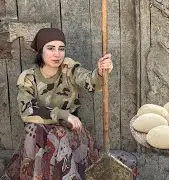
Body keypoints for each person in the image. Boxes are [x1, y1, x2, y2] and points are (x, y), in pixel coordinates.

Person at [4, 28, 113, 180]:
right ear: (41, 51)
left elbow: (91, 82)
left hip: (68, 131)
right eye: (51, 48)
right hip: (39, 135)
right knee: (33, 128)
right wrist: (63, 114)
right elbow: (27, 110)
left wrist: (101, 72)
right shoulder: (29, 77)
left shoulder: (68, 68)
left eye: (61, 49)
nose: (57, 54)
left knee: (58, 134)